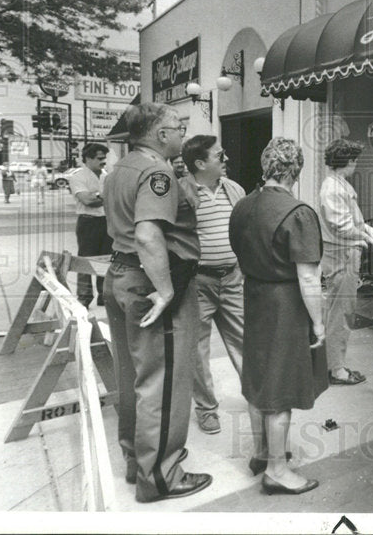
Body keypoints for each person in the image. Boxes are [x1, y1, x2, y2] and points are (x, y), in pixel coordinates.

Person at [102, 102, 212, 503]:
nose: (183, 135)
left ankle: (137, 462)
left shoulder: (121, 168)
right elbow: (149, 235)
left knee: (134, 376)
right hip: (150, 281)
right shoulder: (156, 172)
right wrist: (166, 291)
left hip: (120, 274)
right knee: (162, 381)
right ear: (161, 135)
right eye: (179, 128)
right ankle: (161, 476)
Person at [229, 138, 326, 495]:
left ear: (265, 165)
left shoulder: (242, 206)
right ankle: (277, 469)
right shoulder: (298, 213)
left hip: (253, 296)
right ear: (295, 171)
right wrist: (318, 322)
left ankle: (260, 453)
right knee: (281, 388)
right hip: (285, 303)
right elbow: (307, 277)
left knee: (258, 379)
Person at [180, 135, 246, 436]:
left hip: (232, 278)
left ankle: (257, 394)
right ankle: (206, 410)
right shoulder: (182, 193)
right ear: (200, 163)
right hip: (198, 282)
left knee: (246, 339)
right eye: (219, 155)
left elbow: (245, 230)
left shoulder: (233, 189)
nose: (225, 159)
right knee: (197, 350)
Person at [318, 139, 373, 385]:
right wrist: (363, 235)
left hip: (345, 252)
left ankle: (332, 364)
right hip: (342, 255)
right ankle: (336, 369)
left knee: (339, 311)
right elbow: (341, 225)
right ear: (348, 161)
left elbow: (349, 219)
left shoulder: (338, 184)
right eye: (355, 160)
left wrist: (366, 228)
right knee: (341, 313)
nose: (356, 164)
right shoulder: (332, 188)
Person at [69, 143, 113, 307]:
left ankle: (104, 294)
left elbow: (107, 198)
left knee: (106, 259)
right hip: (88, 222)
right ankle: (84, 297)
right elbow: (87, 200)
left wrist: (97, 196)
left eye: (104, 158)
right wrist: (104, 197)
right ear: (88, 158)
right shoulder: (78, 177)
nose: (103, 162)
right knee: (85, 260)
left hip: (106, 221)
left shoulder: (106, 176)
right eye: (100, 158)